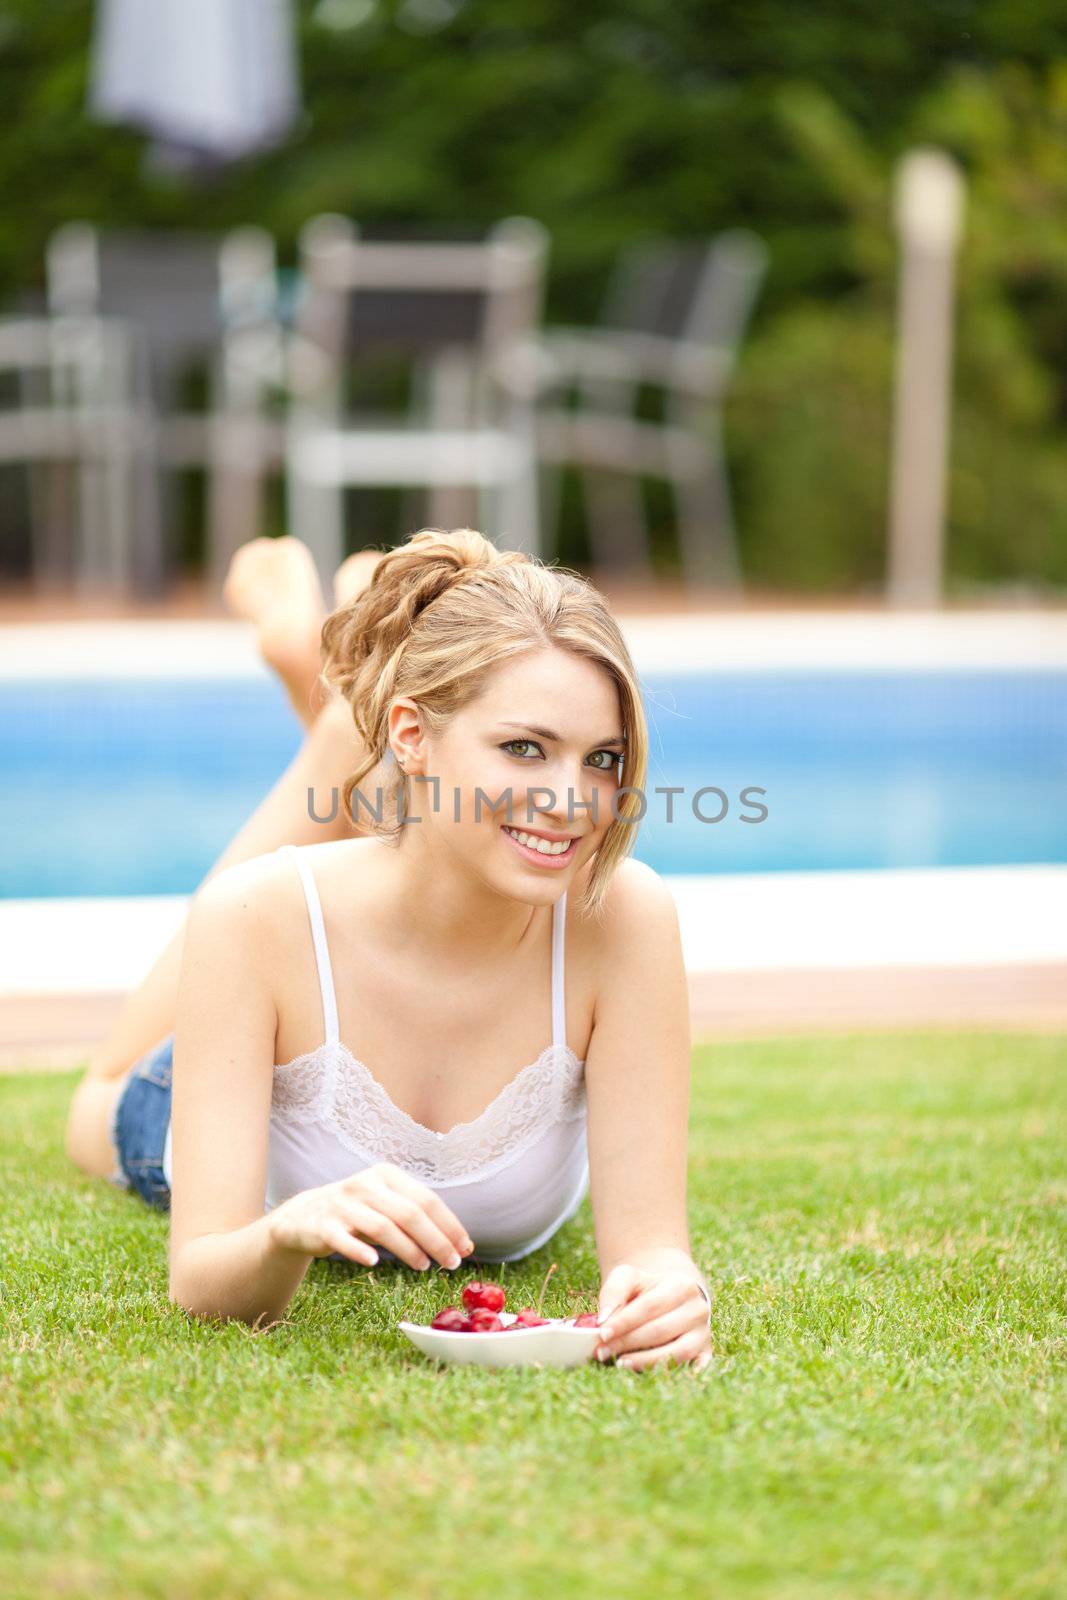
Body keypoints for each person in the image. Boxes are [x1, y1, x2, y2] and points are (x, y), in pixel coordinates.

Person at [64, 527, 712, 1372]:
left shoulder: (624, 918)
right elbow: (203, 1277)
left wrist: (671, 1295)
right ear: (411, 732)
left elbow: (653, 1248)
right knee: (96, 1101)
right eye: (525, 746)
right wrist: (285, 1229)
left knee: (455, 825)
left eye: (602, 759)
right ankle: (339, 720)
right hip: (203, 1075)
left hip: (417, 813)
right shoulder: (259, 914)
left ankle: (347, 690)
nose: (571, 802)